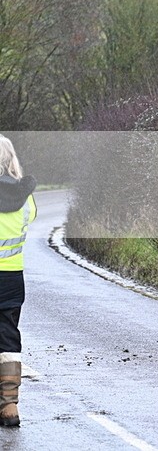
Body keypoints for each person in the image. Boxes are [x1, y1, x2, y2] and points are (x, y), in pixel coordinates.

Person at [0, 134, 36, 427]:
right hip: (12, 277)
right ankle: (9, 406)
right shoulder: (26, 198)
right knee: (8, 335)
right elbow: (31, 217)